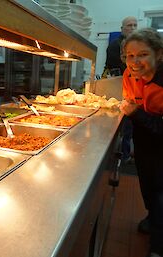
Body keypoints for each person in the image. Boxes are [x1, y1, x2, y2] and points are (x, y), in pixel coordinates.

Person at [120, 28, 163, 257]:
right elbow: (130, 101)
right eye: (130, 55)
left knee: (161, 195)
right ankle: (151, 217)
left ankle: (158, 247)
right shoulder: (129, 75)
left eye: (143, 54)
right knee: (147, 185)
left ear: (159, 54)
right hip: (144, 141)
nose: (135, 62)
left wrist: (136, 113)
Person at [104, 16, 138, 163]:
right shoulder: (113, 46)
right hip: (118, 91)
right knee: (121, 126)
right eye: (130, 25)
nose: (133, 28)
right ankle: (118, 153)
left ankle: (124, 154)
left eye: (135, 25)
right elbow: (112, 69)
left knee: (129, 128)